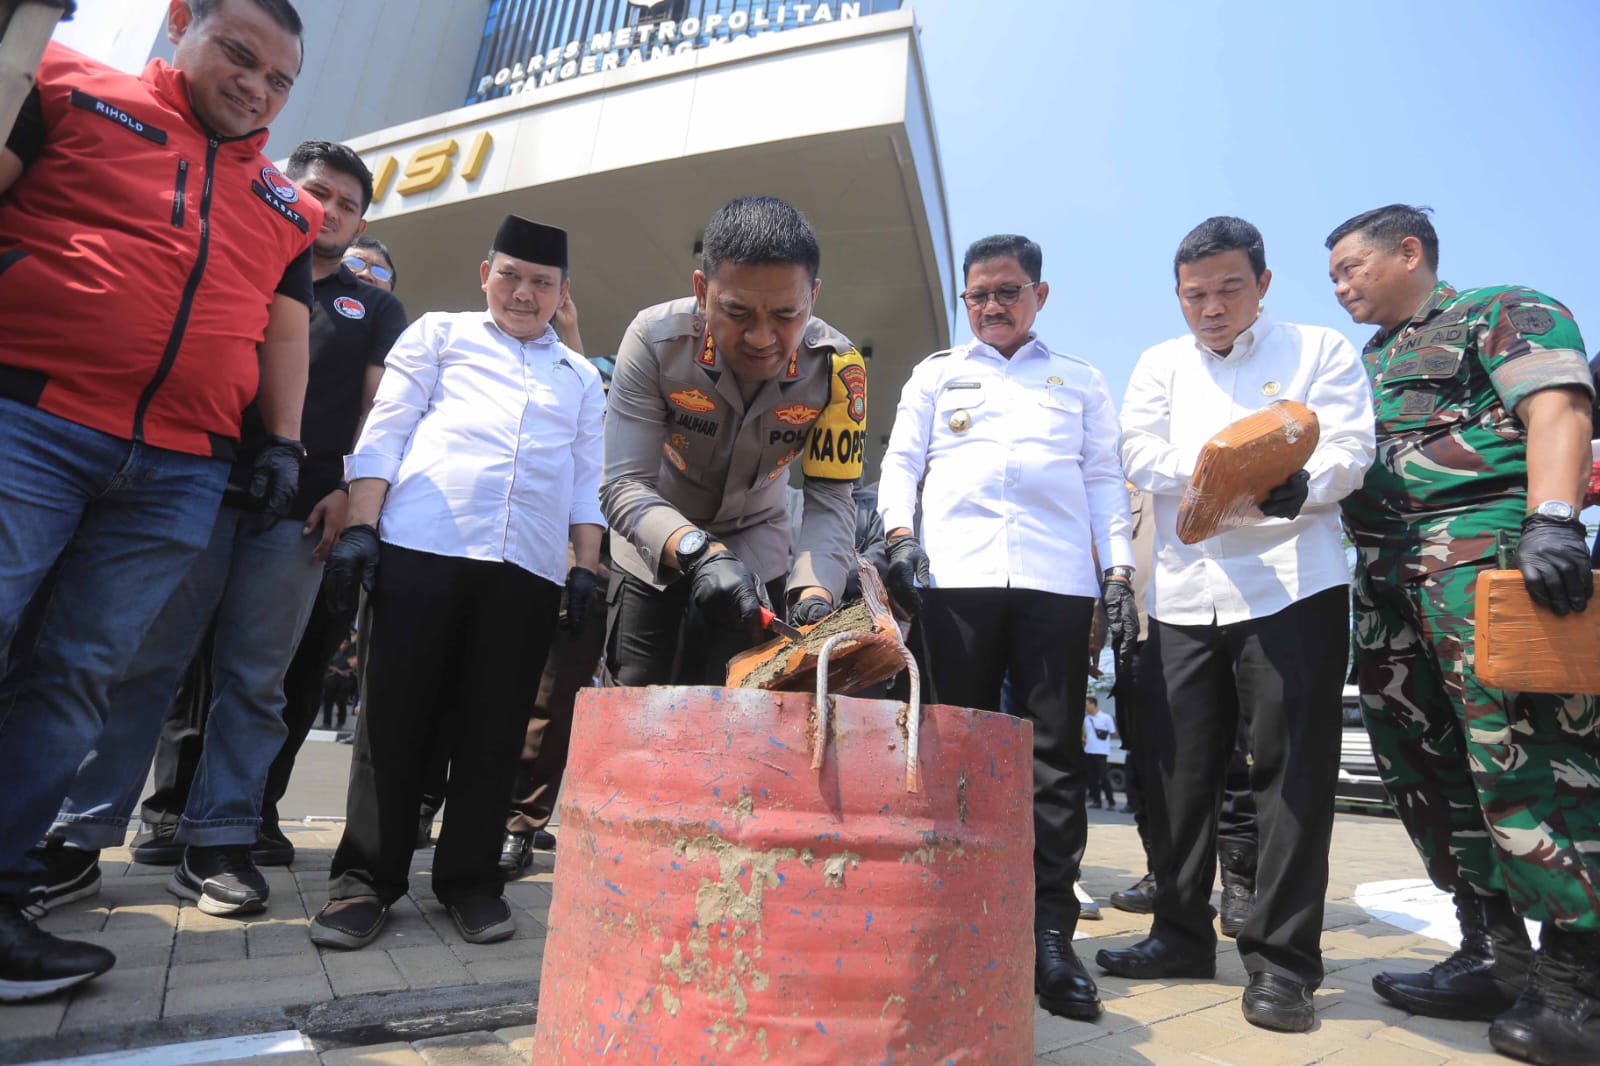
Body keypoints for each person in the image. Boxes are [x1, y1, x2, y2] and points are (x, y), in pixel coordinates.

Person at [0, 0, 314, 1000]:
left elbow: (282, 332)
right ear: (183, 25)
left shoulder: (285, 206)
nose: (256, 87)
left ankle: (3, 901)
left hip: (180, 467)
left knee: (81, 675)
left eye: (279, 81)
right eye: (240, 55)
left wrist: (284, 443)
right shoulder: (64, 89)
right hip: (32, 418)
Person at [35, 142, 406, 914]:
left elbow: (381, 415)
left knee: (256, 680)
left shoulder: (374, 308)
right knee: (143, 665)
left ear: (361, 217)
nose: (329, 210)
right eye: (315, 193)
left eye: (345, 201)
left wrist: (347, 491)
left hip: (302, 512)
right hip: (193, 485)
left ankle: (219, 841)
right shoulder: (243, 261)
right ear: (285, 192)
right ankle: (78, 835)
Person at [1326, 205, 1599, 1066]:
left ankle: (1577, 984)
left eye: (1349, 268)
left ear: (1409, 252)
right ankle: (1491, 951)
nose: (1338, 288)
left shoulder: (1503, 310)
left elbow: (1557, 408)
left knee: (1525, 755)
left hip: (1485, 558)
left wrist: (1554, 519)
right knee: (1426, 767)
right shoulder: (1364, 361)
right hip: (1385, 574)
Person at [1100, 217, 1375, 1034]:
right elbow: (1136, 451)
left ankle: (1284, 964)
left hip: (1292, 584)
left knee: (1290, 778)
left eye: (1228, 289)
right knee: (1176, 773)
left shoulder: (1318, 350)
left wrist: (1304, 482)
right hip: (1185, 594)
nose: (1211, 308)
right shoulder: (1159, 363)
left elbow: (1351, 445)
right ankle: (1179, 934)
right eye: (1195, 294)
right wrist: (1225, 466)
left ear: (1261, 282)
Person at [309, 215, 605, 951]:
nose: (523, 293)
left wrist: (586, 569)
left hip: (528, 568)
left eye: (542, 282)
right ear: (485, 274)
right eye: (510, 275)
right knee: (393, 721)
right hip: (421, 545)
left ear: (563, 294)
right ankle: (366, 882)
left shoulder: (579, 377)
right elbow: (385, 429)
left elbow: (585, 480)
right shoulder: (440, 334)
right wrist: (361, 530)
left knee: (494, 730)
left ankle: (468, 881)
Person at [877, 233, 1137, 1023]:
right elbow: (900, 460)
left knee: (1054, 758)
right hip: (954, 581)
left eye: (1008, 292)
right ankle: (947, 909)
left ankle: (1050, 936)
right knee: (950, 743)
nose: (993, 306)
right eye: (979, 294)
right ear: (965, 299)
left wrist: (1118, 571)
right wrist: (897, 535)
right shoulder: (936, 374)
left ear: (1040, 295)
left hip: (1056, 587)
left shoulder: (1080, 380)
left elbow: (1102, 479)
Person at [601, 196, 862, 683]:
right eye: (737, 312)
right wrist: (699, 551)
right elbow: (623, 486)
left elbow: (831, 497)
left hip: (755, 544)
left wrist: (814, 595)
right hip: (653, 536)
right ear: (702, 291)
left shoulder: (838, 370)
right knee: (635, 693)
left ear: (814, 296)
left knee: (734, 701)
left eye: (786, 314)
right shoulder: (653, 341)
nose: (762, 337)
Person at [1108, 487, 1260, 942]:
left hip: (1208, 621)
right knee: (1146, 766)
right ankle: (1163, 874)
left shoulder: (1204, 453)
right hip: (1135, 631)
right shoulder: (1123, 473)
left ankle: (1238, 884)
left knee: (1232, 764)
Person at [1082, 697, 1116, 809]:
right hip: (1089, 751)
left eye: (1087, 704)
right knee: (1092, 778)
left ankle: (1111, 801)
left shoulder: (1105, 717)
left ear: (1093, 704)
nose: (1086, 707)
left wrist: (1103, 742)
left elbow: (1112, 733)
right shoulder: (1086, 719)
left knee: (1104, 777)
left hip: (1101, 752)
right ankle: (1097, 801)